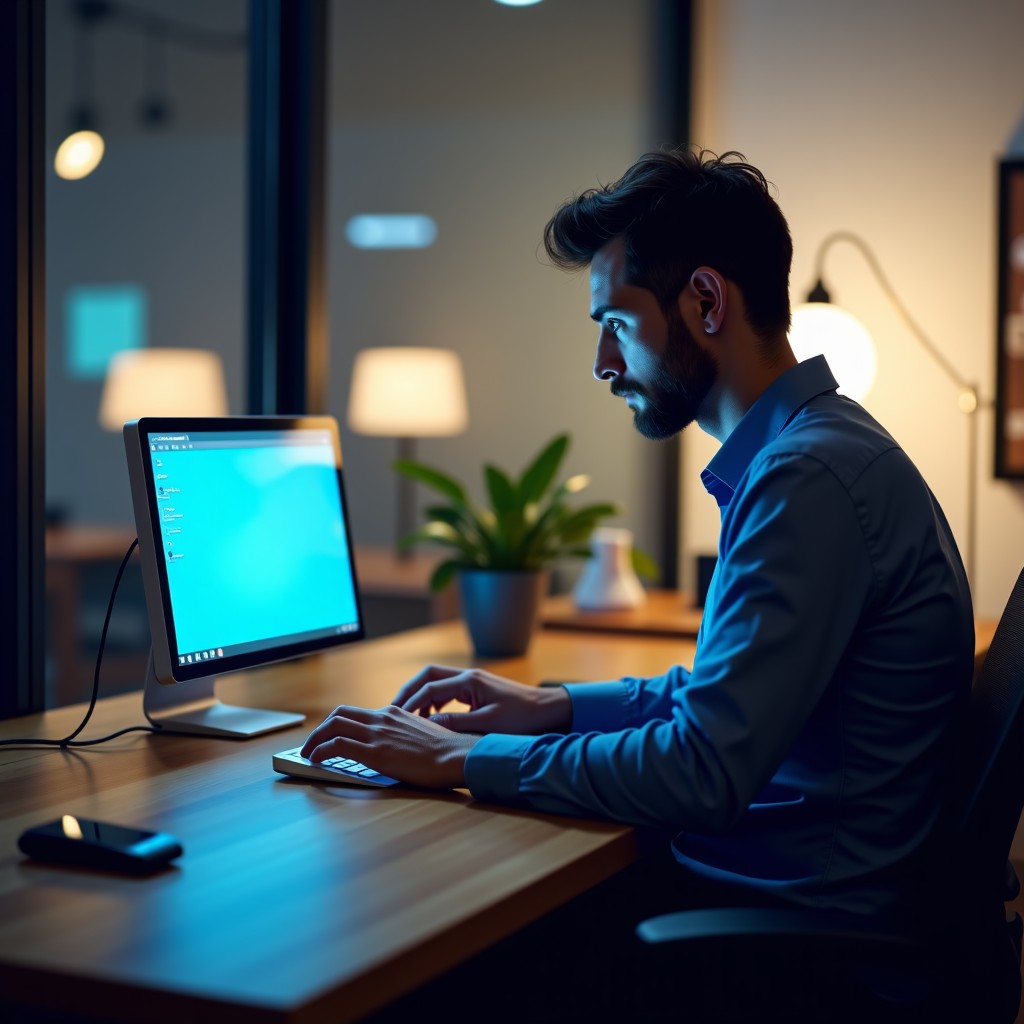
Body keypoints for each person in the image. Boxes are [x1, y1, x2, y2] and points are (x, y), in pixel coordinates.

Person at [303, 148, 975, 1017]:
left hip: (795, 953)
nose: (602, 362)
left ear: (706, 301)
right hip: (778, 904)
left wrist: (462, 757)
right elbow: (720, 703)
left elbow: (702, 769)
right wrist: (553, 707)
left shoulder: (807, 481)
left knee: (415, 955)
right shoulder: (816, 452)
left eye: (616, 322)